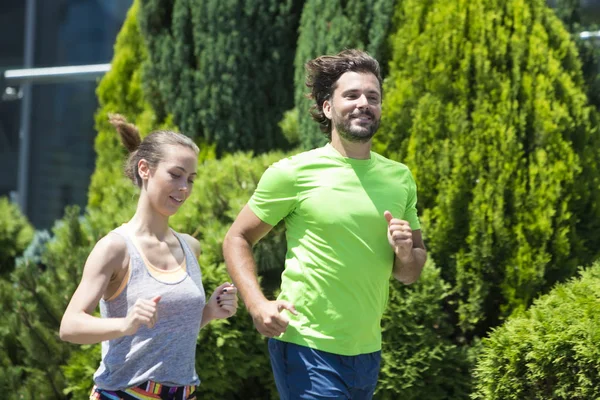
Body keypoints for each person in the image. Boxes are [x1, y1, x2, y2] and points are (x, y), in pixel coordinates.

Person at [223, 49, 427, 399]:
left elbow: (409, 272)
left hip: (367, 351)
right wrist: (258, 305)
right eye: (351, 95)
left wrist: (406, 253)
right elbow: (237, 237)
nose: (364, 103)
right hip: (306, 346)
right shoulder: (293, 173)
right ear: (328, 108)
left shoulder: (400, 178)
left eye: (372, 96)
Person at [60, 114, 238, 400]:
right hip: (124, 393)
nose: (184, 188)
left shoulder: (190, 247)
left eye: (191, 179)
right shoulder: (115, 249)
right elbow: (70, 326)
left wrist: (209, 312)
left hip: (183, 393)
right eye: (175, 174)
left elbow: (167, 329)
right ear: (145, 169)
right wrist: (125, 324)